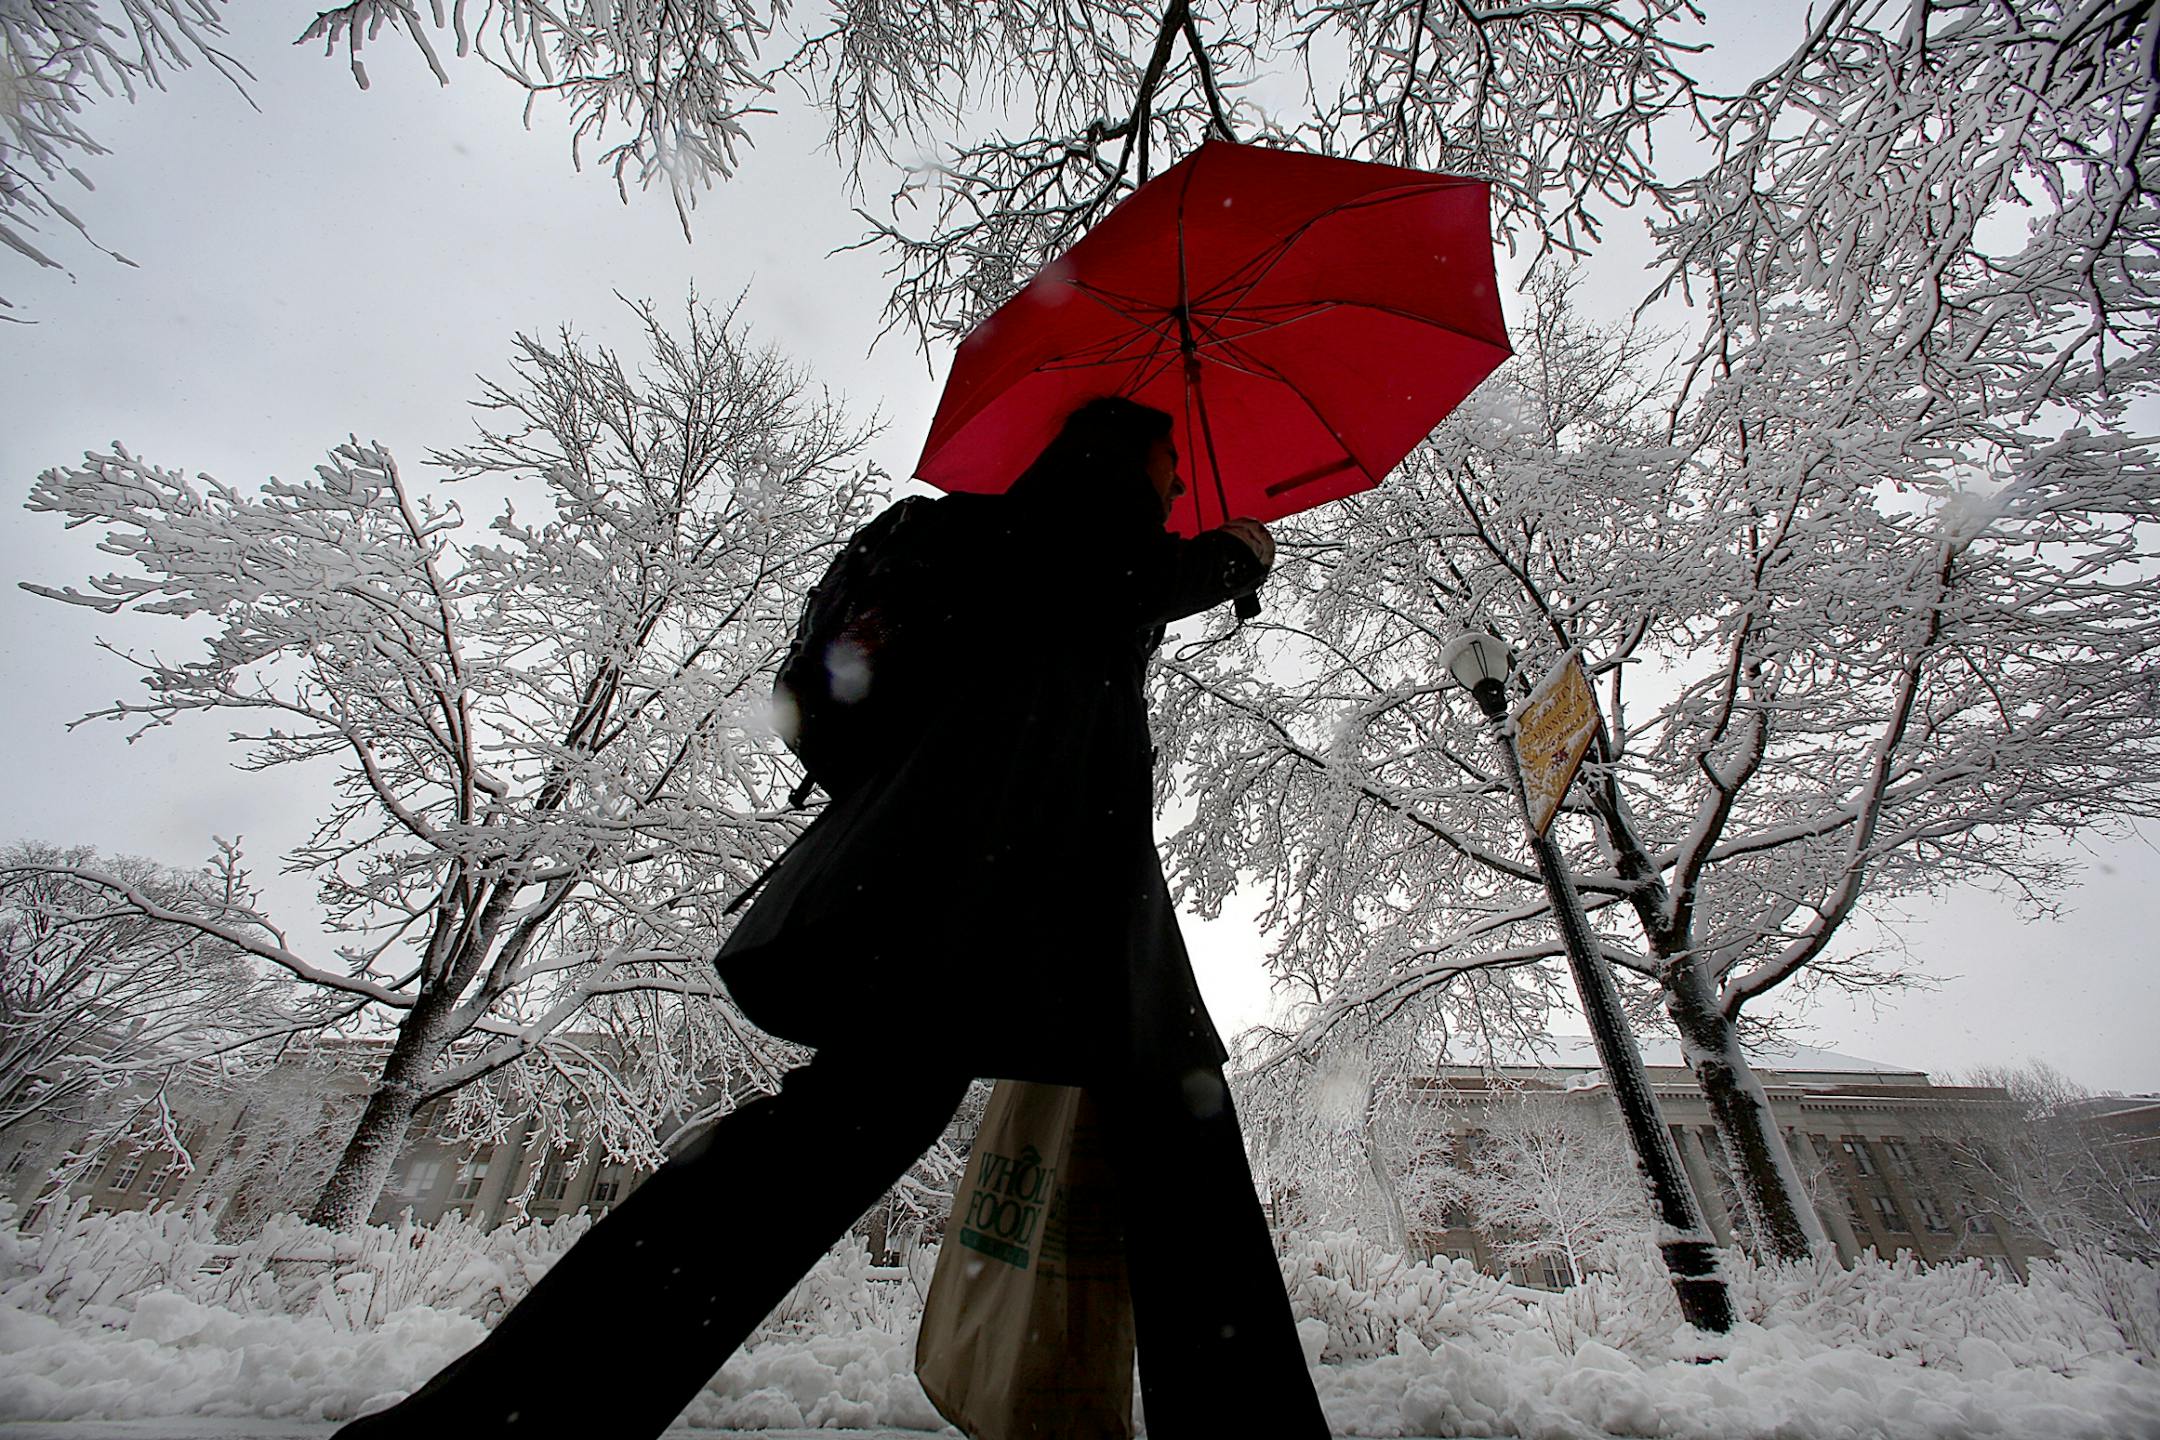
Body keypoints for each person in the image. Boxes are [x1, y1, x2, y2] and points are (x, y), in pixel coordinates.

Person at [331, 396, 1329, 1439]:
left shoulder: (981, 540)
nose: (1177, 484)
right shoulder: (1083, 520)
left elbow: (1068, 616)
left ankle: (509, 1411)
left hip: (952, 885)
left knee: (838, 1135)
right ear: (1123, 458)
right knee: (1172, 1129)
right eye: (1170, 465)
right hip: (1031, 880)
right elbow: (1114, 578)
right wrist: (1234, 557)